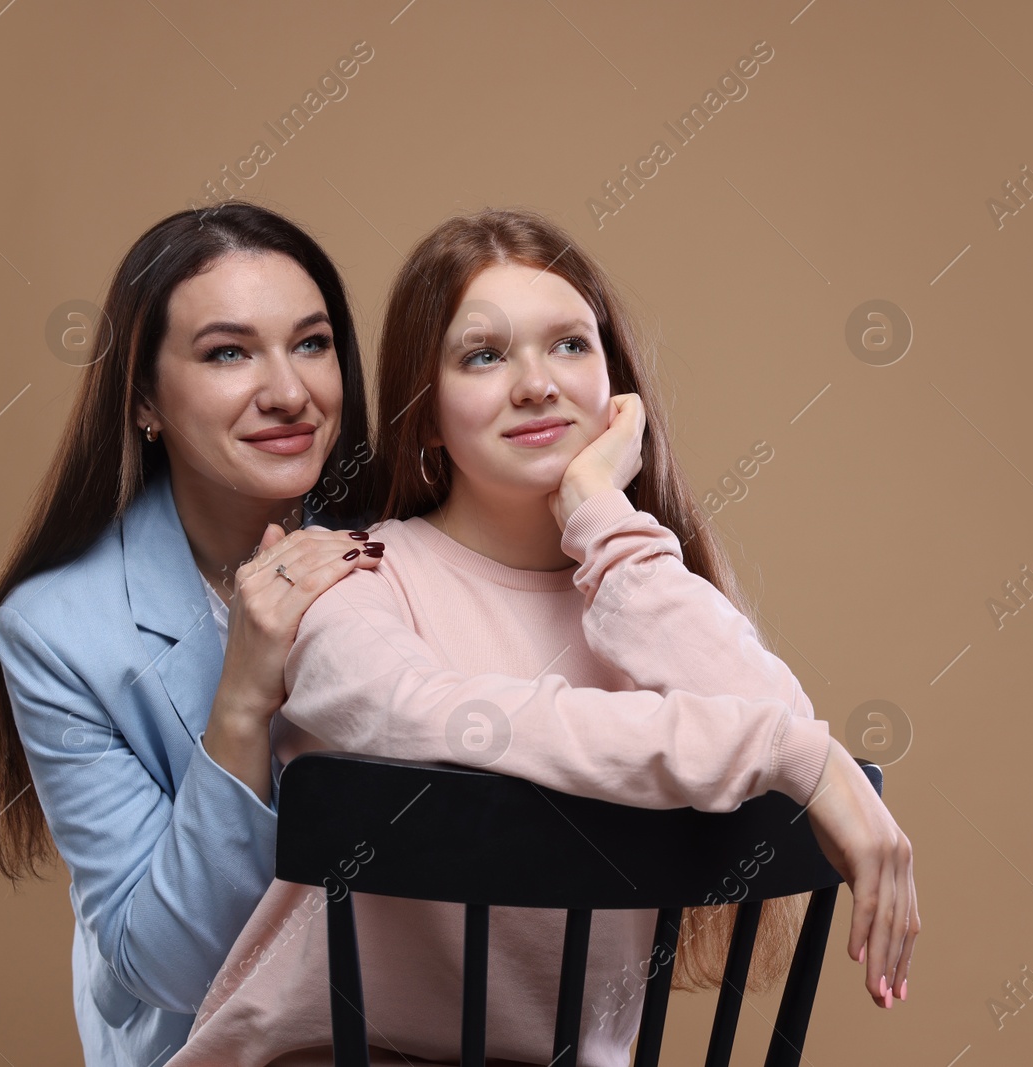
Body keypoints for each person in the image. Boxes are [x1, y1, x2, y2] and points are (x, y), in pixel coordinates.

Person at [168, 208, 920, 1067]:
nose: (536, 384)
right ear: (427, 411)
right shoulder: (355, 582)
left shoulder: (639, 595)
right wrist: (786, 750)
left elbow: (782, 719)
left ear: (616, 388)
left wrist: (604, 517)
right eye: (483, 355)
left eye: (570, 345)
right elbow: (428, 716)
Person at [0, 201, 388, 1065]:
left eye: (311, 342)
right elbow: (174, 964)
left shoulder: (401, 541)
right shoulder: (53, 632)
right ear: (146, 398)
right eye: (229, 352)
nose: (289, 392)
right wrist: (241, 695)